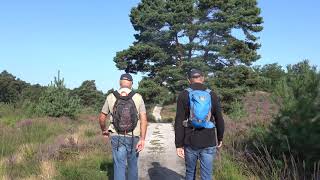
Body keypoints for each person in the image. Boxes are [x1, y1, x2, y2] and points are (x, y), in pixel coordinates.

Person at [174, 69, 225, 180]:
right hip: (209, 140)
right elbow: (219, 119)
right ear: (203, 78)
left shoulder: (184, 94)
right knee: (206, 175)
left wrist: (178, 144)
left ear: (189, 80)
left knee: (190, 172)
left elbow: (179, 121)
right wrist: (220, 137)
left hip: (190, 140)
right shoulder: (212, 94)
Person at [99, 73, 148, 180]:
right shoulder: (138, 97)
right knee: (133, 166)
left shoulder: (111, 96)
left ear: (120, 82)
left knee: (118, 166)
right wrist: (143, 138)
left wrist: (104, 130)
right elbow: (144, 119)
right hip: (133, 137)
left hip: (116, 136)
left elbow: (102, 117)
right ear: (131, 83)